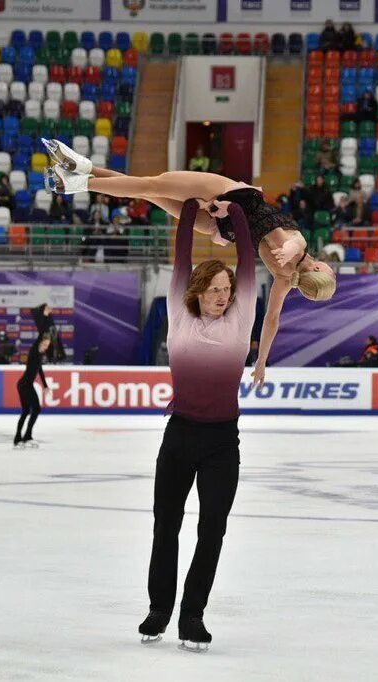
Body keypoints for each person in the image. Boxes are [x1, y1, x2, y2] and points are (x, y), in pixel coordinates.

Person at [42, 138, 336, 389]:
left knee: (150, 186)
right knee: (149, 191)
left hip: (225, 197)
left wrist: (288, 246)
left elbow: (290, 240)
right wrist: (260, 361)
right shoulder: (285, 281)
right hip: (223, 226)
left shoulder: (296, 250)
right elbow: (271, 321)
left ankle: (78, 182)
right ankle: (83, 168)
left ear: (319, 269)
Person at [137, 199, 257, 651]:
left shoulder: (241, 318)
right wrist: (189, 209)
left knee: (213, 531)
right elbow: (182, 257)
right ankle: (158, 610)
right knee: (165, 525)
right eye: (214, 288)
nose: (223, 295)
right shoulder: (179, 315)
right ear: (197, 290)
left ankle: (192, 616)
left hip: (222, 442)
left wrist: (237, 215)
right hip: (180, 436)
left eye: (227, 288)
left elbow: (248, 262)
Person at [14, 334, 52, 447]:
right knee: (36, 409)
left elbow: (40, 370)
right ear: (39, 342)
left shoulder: (40, 354)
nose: (46, 347)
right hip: (25, 385)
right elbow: (41, 332)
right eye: (44, 344)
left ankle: (19, 437)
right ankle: (26, 436)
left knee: (26, 411)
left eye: (47, 345)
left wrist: (45, 386)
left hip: (25, 384)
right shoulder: (34, 351)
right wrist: (45, 317)